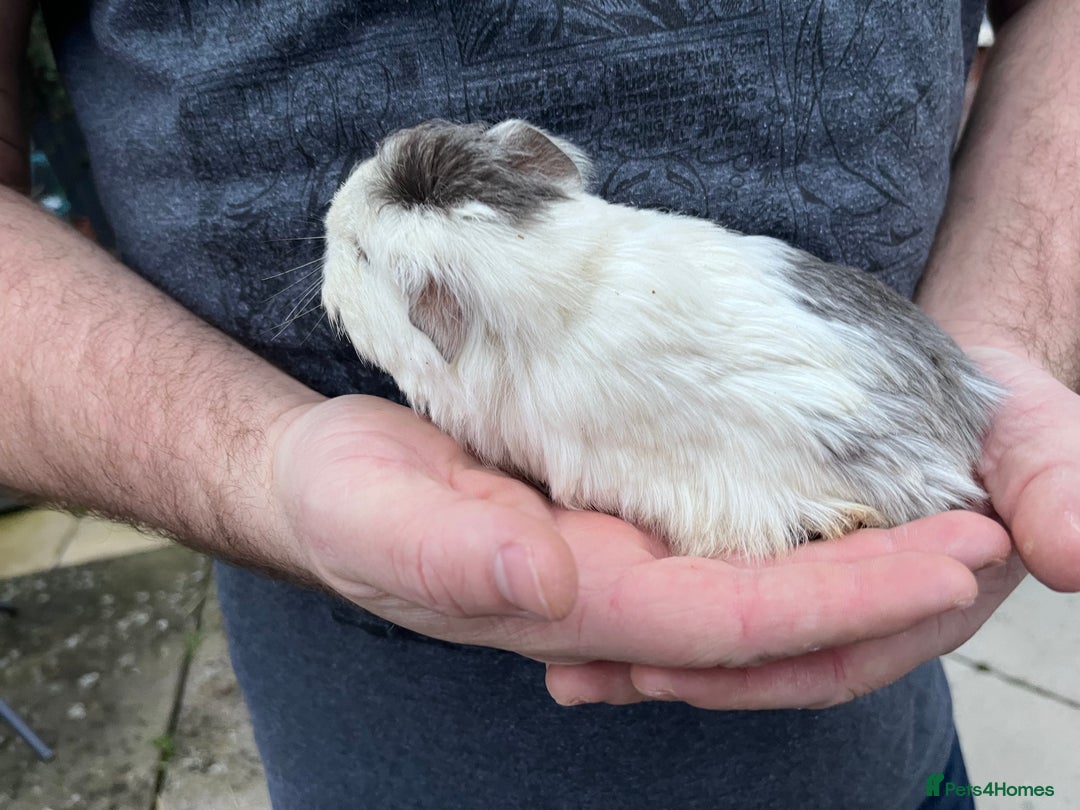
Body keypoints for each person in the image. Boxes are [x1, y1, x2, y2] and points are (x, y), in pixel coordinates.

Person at [1, 1, 1076, 806]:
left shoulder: (514, 379)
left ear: (443, 317)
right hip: (373, 722)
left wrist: (1010, 326)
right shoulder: (581, 244)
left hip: (882, 674)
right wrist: (257, 463)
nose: (334, 274)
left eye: (359, 260)